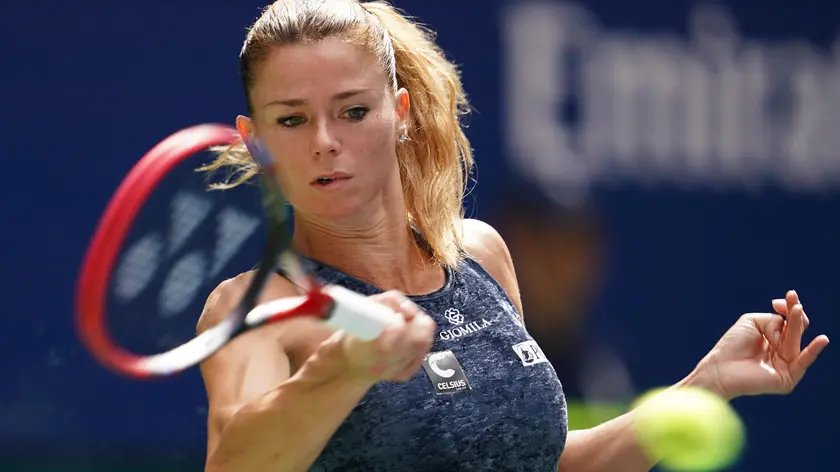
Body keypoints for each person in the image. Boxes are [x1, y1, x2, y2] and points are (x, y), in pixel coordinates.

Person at [196, 1, 830, 471]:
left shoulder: (480, 254)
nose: (325, 141)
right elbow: (235, 462)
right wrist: (339, 371)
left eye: (354, 111)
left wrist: (707, 384)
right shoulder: (254, 309)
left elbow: (545, 463)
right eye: (292, 120)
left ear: (401, 113)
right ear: (255, 139)